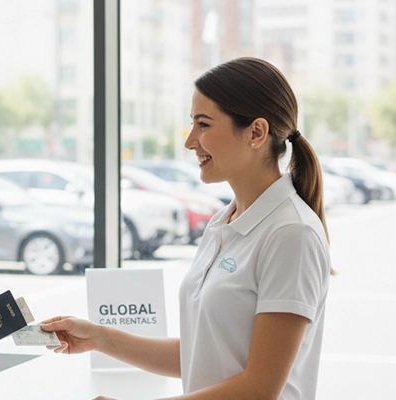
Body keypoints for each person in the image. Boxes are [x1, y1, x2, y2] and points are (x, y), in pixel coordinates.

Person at [41, 57, 332, 400]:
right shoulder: (224, 222)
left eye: (204, 124)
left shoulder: (291, 234)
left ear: (256, 132)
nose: (190, 141)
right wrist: (99, 338)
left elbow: (259, 389)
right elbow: (201, 354)